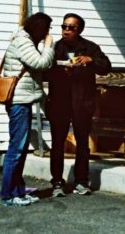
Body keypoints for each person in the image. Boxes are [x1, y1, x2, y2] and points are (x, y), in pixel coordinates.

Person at [46, 13, 111, 197]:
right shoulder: (55, 48)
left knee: (82, 142)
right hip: (59, 102)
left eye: (71, 28)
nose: (66, 30)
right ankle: (57, 182)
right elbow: (43, 71)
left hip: (82, 103)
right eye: (64, 26)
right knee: (57, 143)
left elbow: (106, 66)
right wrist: (60, 71)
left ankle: (82, 181)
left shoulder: (89, 48)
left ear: (79, 30)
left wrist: (91, 60)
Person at [0, 12, 55, 206]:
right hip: (19, 103)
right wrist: (48, 46)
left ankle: (18, 190)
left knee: (20, 148)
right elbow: (41, 63)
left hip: (22, 100)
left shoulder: (24, 39)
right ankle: (8, 195)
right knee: (16, 149)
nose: (49, 33)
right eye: (48, 29)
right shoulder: (23, 42)